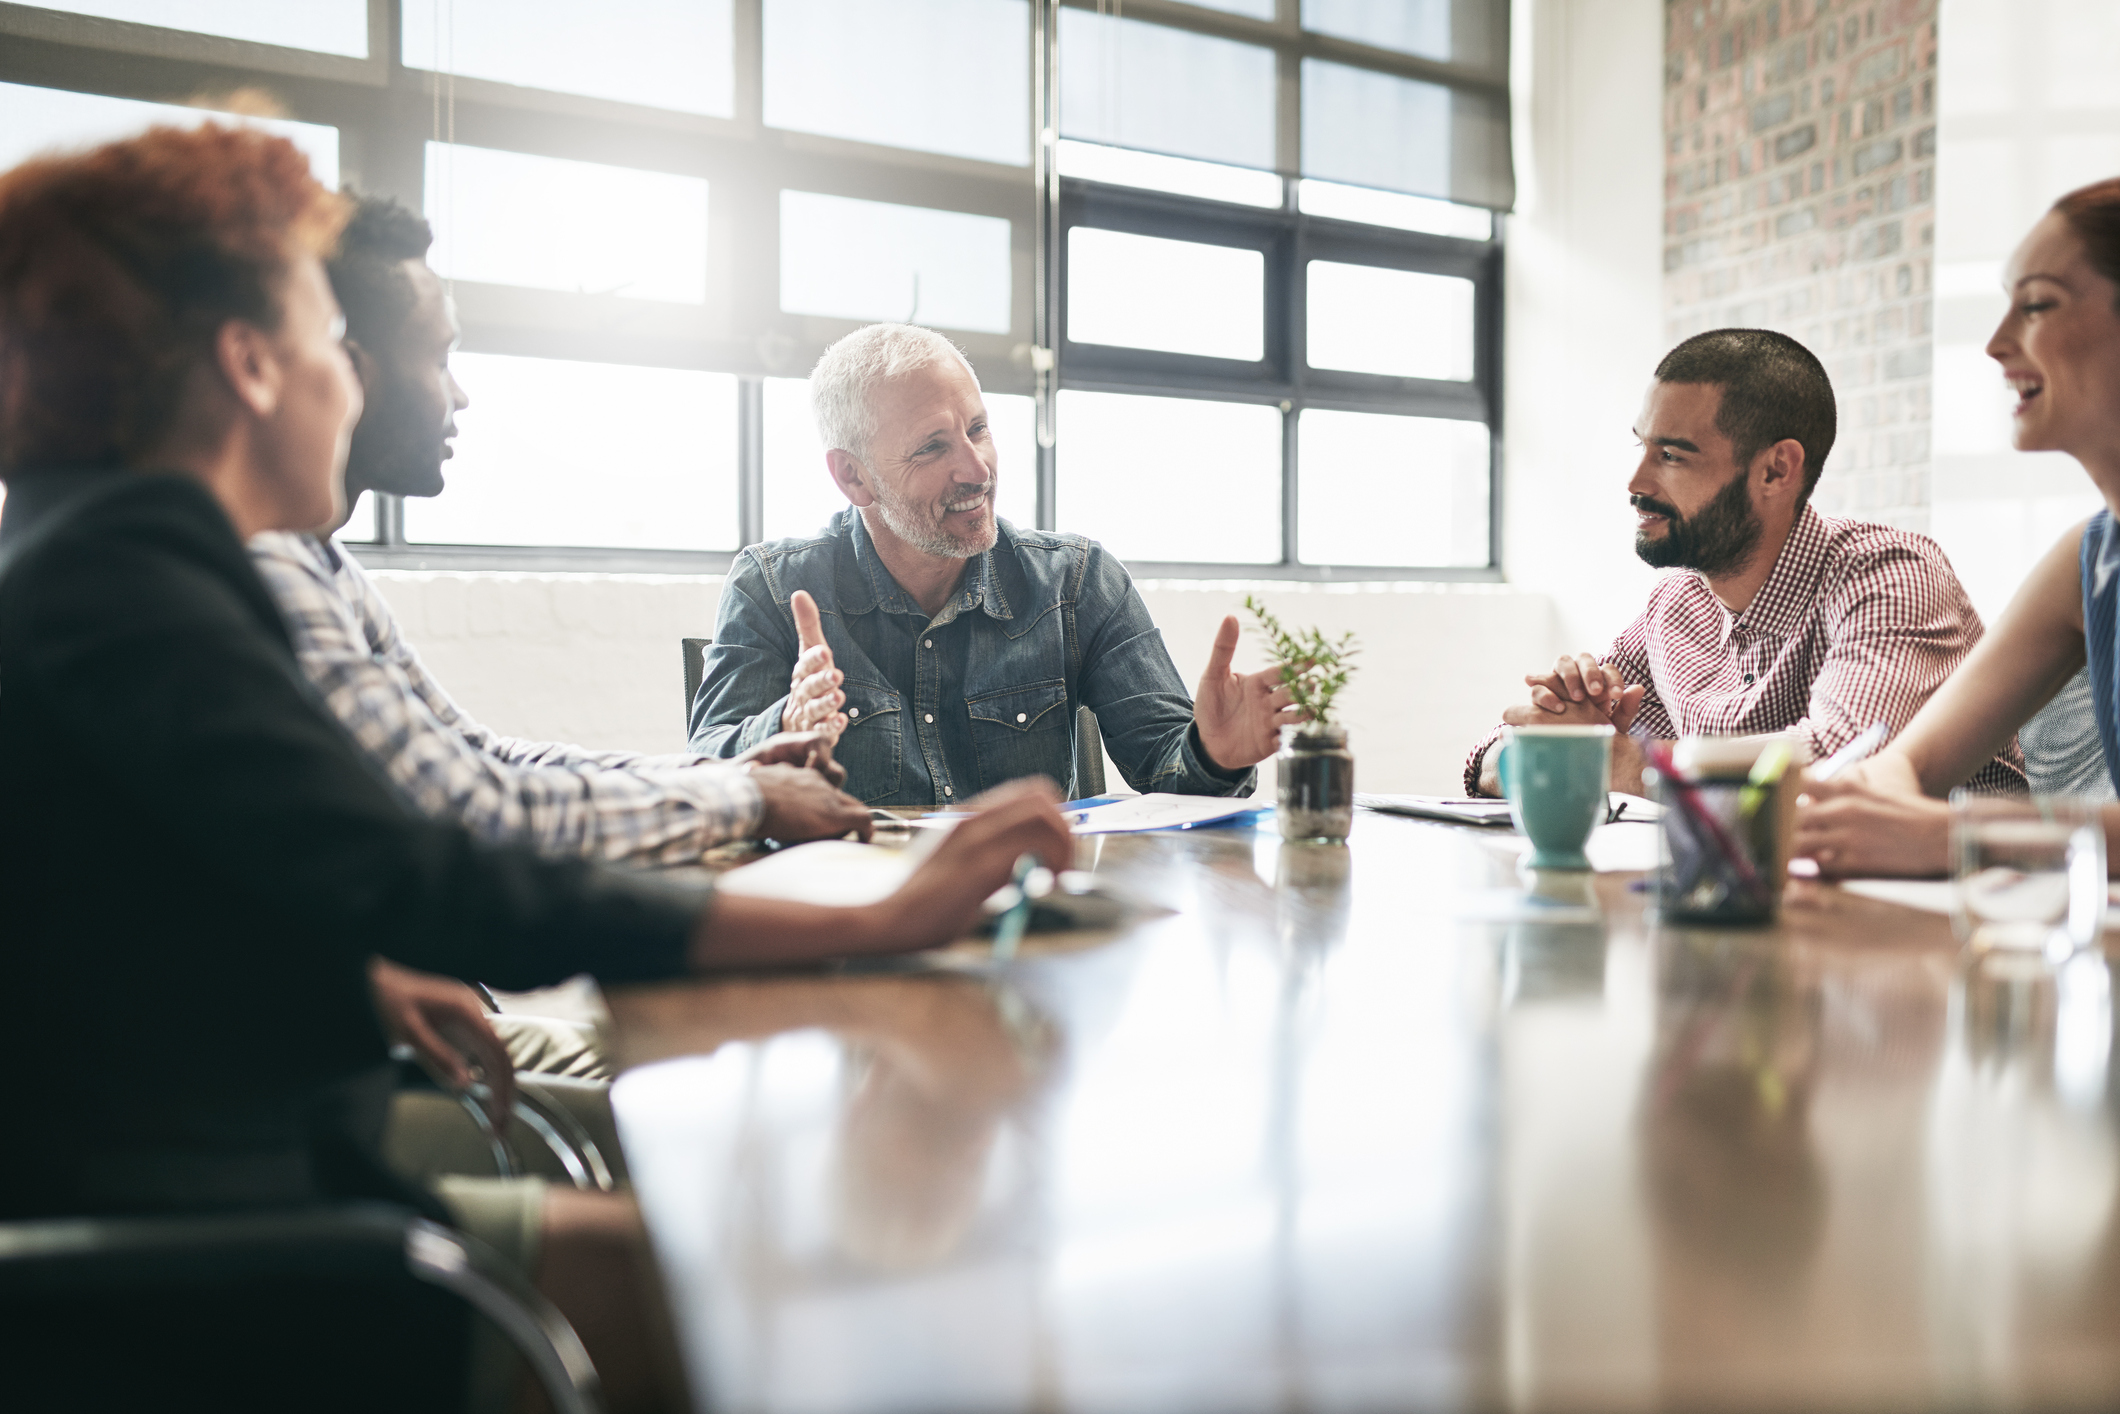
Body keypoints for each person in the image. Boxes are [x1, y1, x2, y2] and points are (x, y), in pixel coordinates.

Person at [0, 122, 1071, 1410]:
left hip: (219, 1166)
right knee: (736, 1274)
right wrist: (889, 908)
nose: (351, 382)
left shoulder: (99, 552)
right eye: (322, 342)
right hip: (192, 1241)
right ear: (250, 366)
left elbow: (217, 865)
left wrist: (351, 968)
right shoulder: (135, 581)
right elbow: (436, 868)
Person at [249, 194, 872, 867]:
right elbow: (472, 810)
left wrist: (727, 776)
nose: (459, 395)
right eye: (436, 359)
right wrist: (748, 799)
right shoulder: (268, 561)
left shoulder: (324, 564)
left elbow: (477, 755)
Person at [687, 322, 1300, 806]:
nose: (977, 470)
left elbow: (1169, 771)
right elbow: (704, 775)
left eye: (977, 429)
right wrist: (784, 725)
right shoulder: (772, 587)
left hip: (1033, 923)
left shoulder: (1078, 583)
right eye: (933, 448)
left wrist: (1215, 755)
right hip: (863, 929)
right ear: (853, 476)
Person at [1463, 328, 2024, 799]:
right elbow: (1497, 752)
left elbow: (1840, 763)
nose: (1636, 484)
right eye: (1642, 448)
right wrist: (1551, 743)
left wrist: (1624, 768)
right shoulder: (1678, 603)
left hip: (1952, 909)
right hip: (1758, 905)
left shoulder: (1890, 575)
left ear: (1777, 471)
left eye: (1672, 455)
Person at [1796, 178, 2120, 875]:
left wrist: (1962, 837)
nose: (1996, 344)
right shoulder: (2087, 561)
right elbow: (1908, 762)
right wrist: (1866, 800)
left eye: (2036, 305)